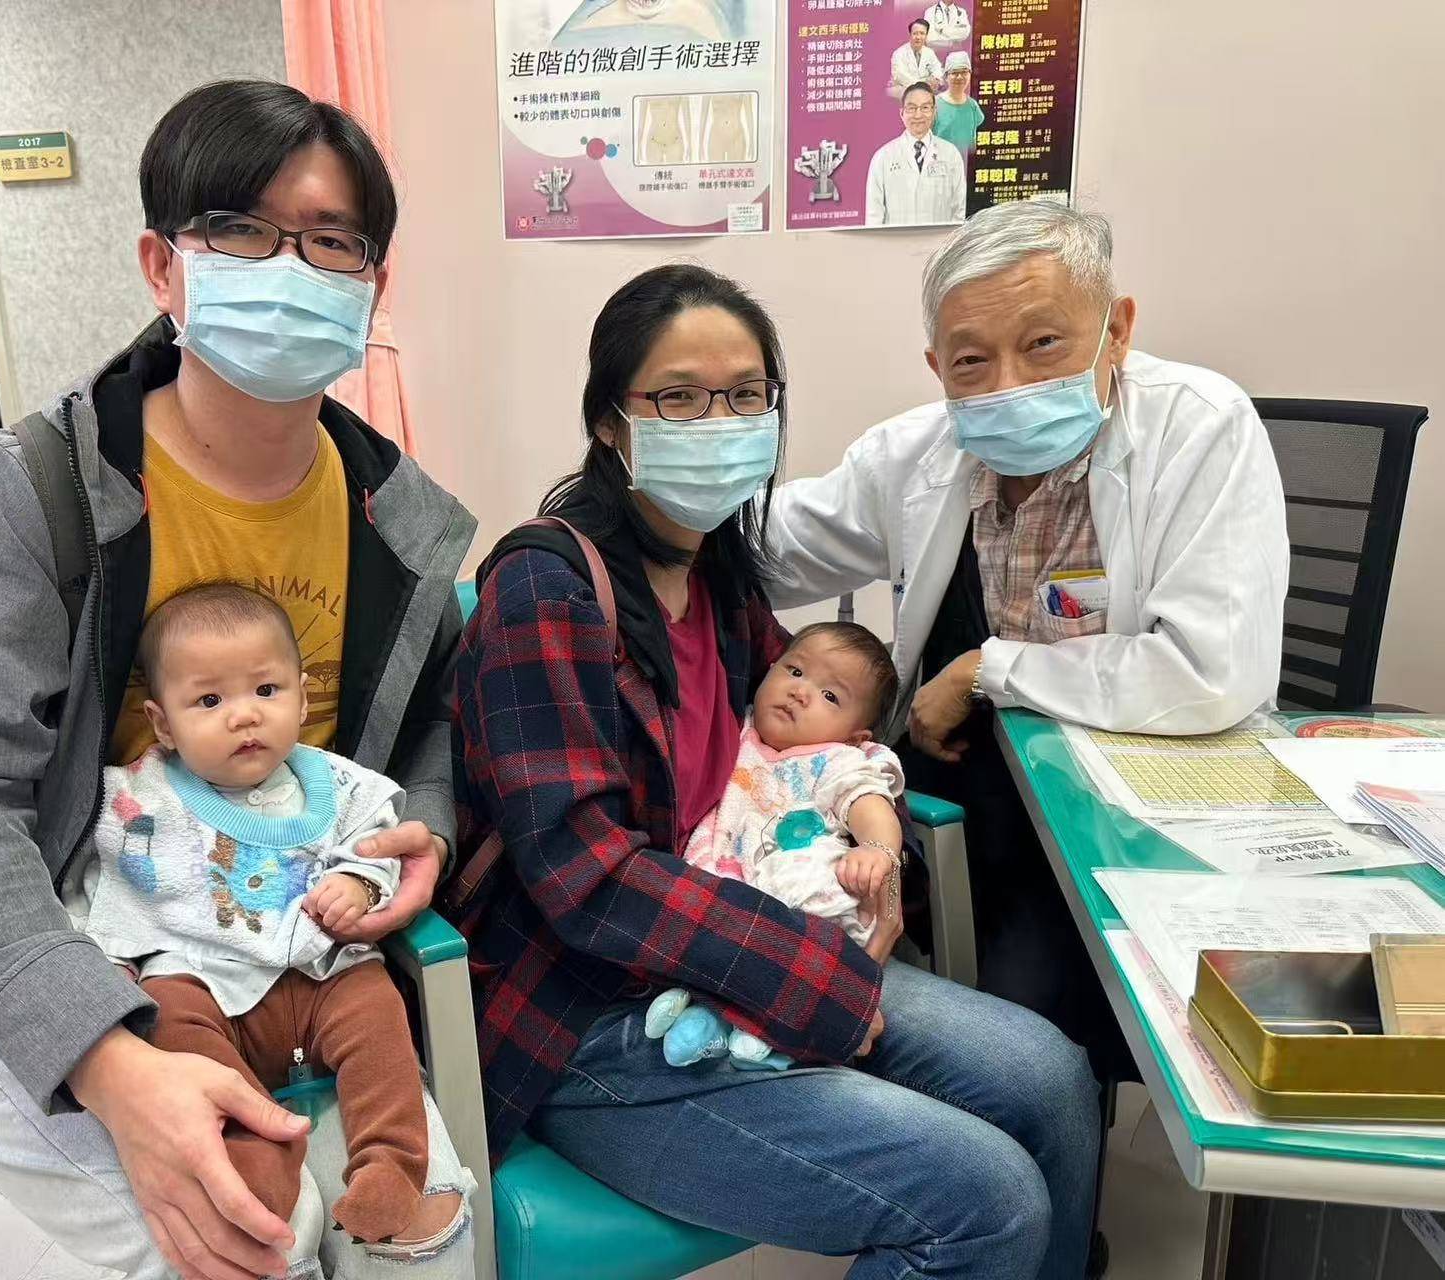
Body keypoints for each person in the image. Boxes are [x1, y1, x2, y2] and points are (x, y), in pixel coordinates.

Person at [0, 79, 476, 1280]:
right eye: (239, 230)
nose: (288, 266)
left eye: (331, 240)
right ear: (161, 264)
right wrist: (107, 1058)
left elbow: (434, 721)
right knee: (258, 1245)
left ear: (372, 283)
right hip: (57, 941)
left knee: (427, 1244)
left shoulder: (397, 521)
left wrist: (425, 826)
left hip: (292, 943)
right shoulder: (32, 497)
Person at [453, 262, 1101, 1279]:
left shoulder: (716, 573)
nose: (719, 421)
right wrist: (816, 976)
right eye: (678, 396)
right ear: (612, 421)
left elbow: (818, 744)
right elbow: (586, 876)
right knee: (985, 1202)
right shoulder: (546, 590)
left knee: (1054, 1081)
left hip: (745, 937)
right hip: (597, 1011)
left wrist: (874, 833)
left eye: (745, 393)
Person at [765, 200, 1288, 1078]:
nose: (1007, 386)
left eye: (1043, 343)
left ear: (1116, 330)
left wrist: (985, 668)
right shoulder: (917, 451)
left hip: (1125, 804)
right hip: (965, 802)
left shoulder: (1199, 426)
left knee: (1044, 1032)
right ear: (936, 366)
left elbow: (1207, 672)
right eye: (971, 360)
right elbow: (764, 548)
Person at [79, 583, 430, 1247]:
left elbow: (378, 842)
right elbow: (99, 880)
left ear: (301, 697)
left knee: (377, 1008)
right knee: (166, 1017)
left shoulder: (337, 783)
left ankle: (391, 1163)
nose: (244, 716)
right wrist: (111, 961)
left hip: (322, 972)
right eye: (210, 701)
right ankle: (256, 1158)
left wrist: (357, 882)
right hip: (203, 981)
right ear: (162, 723)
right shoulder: (137, 800)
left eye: (266, 691)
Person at [648, 621, 907, 1070]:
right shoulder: (736, 728)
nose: (801, 693)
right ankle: (702, 1015)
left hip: (802, 910)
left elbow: (869, 802)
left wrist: (878, 851)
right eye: (795, 671)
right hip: (726, 893)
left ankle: (767, 1043)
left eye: (831, 696)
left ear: (856, 736)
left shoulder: (835, 759)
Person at [866, 83, 967, 226]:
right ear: (902, 113)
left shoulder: (951, 154)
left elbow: (959, 209)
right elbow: (874, 216)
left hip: (940, 239)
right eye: (912, 108)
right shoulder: (883, 157)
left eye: (925, 108)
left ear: (934, 111)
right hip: (896, 239)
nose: (918, 115)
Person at [934, 51, 985, 159]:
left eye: (964, 72)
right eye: (954, 73)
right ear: (946, 76)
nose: (960, 77)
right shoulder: (934, 105)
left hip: (966, 161)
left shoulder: (972, 105)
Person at [889, 18, 945, 96]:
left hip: (926, 90)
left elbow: (937, 68)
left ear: (926, 35)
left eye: (922, 33)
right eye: (915, 33)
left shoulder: (929, 52)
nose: (918, 37)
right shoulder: (899, 53)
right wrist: (923, 84)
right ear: (910, 34)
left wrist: (935, 79)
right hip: (905, 90)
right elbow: (900, 76)